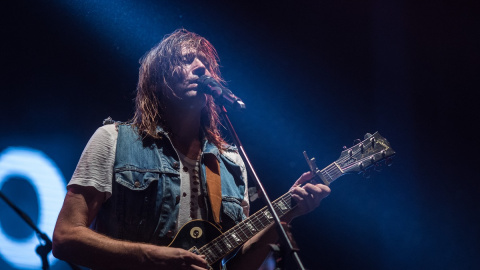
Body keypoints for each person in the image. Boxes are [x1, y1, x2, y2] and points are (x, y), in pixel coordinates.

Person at [52, 29, 331, 270]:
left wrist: (284, 216)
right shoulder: (113, 140)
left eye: (206, 63)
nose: (201, 68)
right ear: (158, 80)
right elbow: (65, 237)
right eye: (187, 60)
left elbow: (233, 264)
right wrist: (153, 257)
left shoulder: (231, 163)